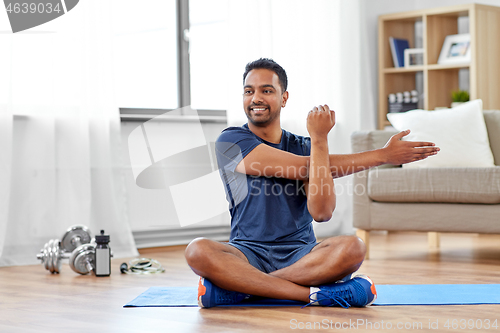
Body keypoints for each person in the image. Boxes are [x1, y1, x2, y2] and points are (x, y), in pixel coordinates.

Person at [185, 58, 439, 308]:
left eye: (267, 91)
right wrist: (382, 156)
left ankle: (243, 290)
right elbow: (299, 167)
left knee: (353, 248)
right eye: (249, 91)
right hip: (247, 252)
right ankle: (313, 295)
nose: (256, 98)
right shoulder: (230, 140)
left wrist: (318, 140)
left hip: (301, 255)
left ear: (284, 98)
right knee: (197, 250)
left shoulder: (306, 147)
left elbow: (322, 213)